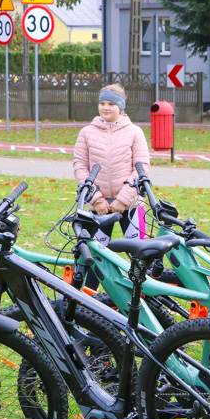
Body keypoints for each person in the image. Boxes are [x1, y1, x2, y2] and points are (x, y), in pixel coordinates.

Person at [72, 83, 151, 289]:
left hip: (131, 205)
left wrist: (123, 200)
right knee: (92, 259)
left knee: (141, 259)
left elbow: (141, 168)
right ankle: (88, 304)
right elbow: (80, 166)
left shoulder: (134, 132)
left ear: (121, 107)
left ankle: (144, 302)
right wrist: (96, 199)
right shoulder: (86, 132)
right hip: (98, 207)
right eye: (102, 103)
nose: (105, 108)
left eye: (111, 104)